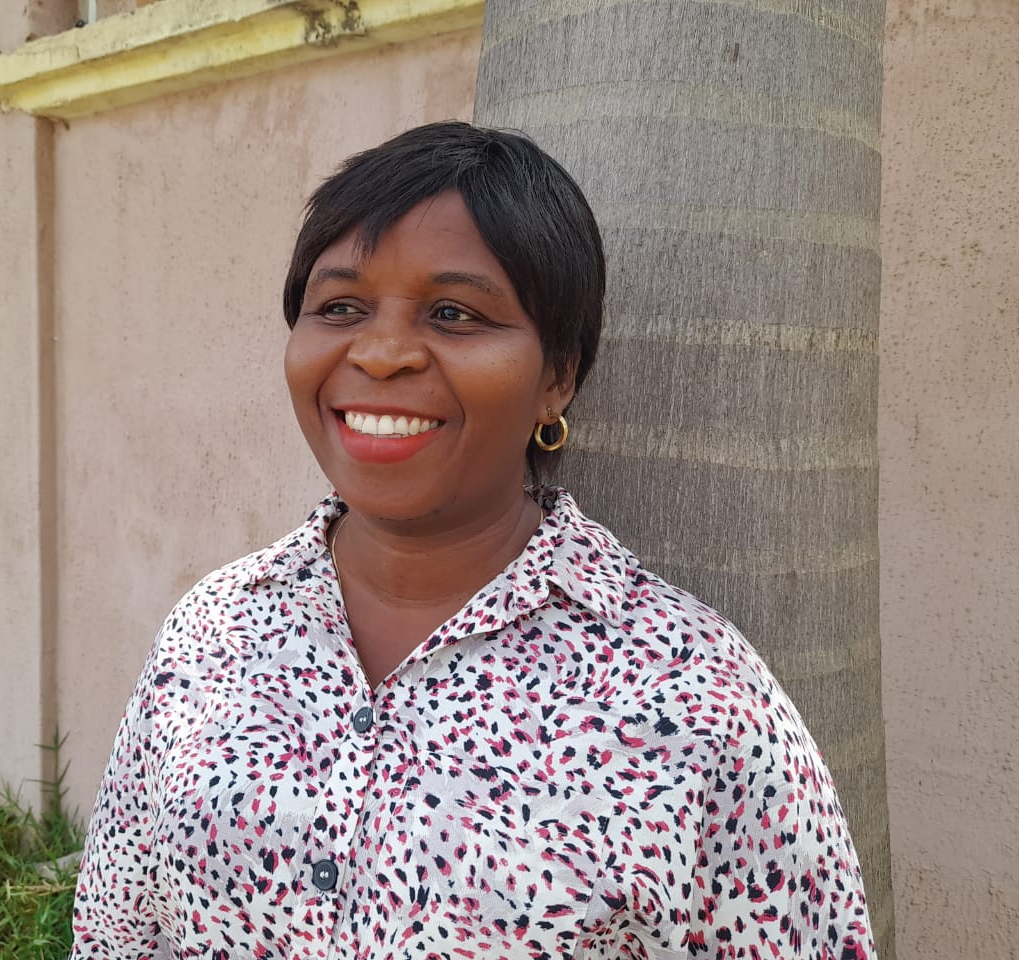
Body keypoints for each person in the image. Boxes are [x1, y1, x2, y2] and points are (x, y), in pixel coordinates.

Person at [70, 121, 875, 960]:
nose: (380, 354)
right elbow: (115, 933)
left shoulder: (691, 696)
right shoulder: (211, 632)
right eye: (340, 307)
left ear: (556, 377)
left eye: (454, 314)